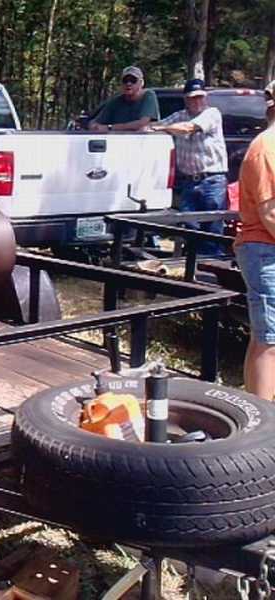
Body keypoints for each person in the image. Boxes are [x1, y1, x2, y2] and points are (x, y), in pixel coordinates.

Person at [148, 78, 229, 256]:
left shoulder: (212, 114)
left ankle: (212, 265)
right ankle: (194, 265)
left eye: (200, 97)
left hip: (212, 181)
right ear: (186, 99)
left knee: (212, 230)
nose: (197, 101)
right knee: (190, 227)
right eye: (193, 97)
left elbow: (187, 128)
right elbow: (153, 127)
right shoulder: (179, 116)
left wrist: (161, 128)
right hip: (188, 182)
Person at [234, 80, 275, 401]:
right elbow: (270, 213)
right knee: (271, 341)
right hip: (264, 250)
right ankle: (265, 422)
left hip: (265, 248)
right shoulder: (267, 148)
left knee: (263, 337)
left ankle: (254, 408)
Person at [89, 66, 160, 132]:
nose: (128, 84)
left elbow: (142, 123)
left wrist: (109, 127)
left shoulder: (148, 96)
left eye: (133, 80)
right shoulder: (116, 101)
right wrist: (94, 127)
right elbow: (94, 123)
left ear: (141, 83)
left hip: (142, 140)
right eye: (125, 80)